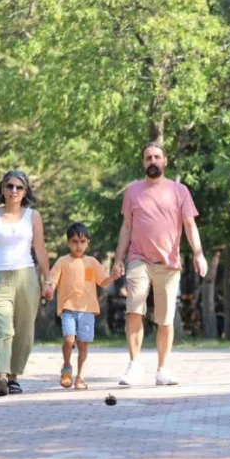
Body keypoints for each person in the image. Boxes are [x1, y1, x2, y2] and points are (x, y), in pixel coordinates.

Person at [113, 143, 208, 387]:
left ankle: (162, 369)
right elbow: (126, 227)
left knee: (165, 319)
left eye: (157, 157)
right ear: (143, 162)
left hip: (168, 263)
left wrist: (198, 254)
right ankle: (134, 366)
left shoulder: (179, 191)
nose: (152, 161)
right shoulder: (133, 191)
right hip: (138, 259)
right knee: (134, 310)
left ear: (165, 161)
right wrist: (117, 259)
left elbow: (190, 225)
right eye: (148, 158)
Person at [0, 170, 53, 397]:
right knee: (1, 328)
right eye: (10, 186)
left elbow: (40, 249)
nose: (14, 191)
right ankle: (0, 376)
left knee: (24, 330)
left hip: (26, 277)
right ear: (2, 189)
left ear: (25, 191)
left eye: (19, 187)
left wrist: (48, 280)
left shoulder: (33, 216)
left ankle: (14, 377)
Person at [48, 223, 121, 390]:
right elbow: (52, 280)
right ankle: (66, 367)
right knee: (69, 339)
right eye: (74, 241)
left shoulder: (92, 262)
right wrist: (49, 288)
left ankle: (80, 377)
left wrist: (113, 277)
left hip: (87, 310)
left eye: (82, 241)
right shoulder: (62, 261)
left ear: (88, 242)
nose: (78, 245)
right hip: (68, 308)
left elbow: (102, 282)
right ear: (68, 243)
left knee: (83, 344)